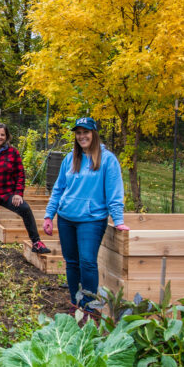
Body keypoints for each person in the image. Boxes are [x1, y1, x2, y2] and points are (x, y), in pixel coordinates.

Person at [42, 117, 127, 314]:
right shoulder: (70, 159)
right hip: (66, 218)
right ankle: (75, 303)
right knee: (71, 262)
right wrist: (49, 215)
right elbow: (58, 188)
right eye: (78, 133)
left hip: (91, 220)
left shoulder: (107, 160)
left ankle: (89, 307)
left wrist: (118, 220)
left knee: (87, 261)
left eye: (85, 132)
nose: (82, 136)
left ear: (94, 134)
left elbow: (114, 192)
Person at [0, 123, 51, 267]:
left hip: (6, 192)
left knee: (25, 208)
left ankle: (36, 242)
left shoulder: (13, 153)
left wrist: (18, 193)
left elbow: (20, 174)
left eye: (2, 135)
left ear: (6, 137)